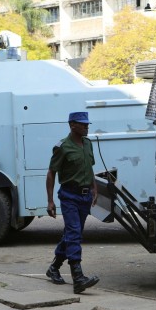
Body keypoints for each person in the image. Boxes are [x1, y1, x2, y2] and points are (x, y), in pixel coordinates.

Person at [45, 111, 99, 294]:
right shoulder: (62, 147)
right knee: (74, 233)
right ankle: (78, 278)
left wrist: (94, 188)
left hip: (85, 196)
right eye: (83, 124)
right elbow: (51, 173)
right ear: (72, 125)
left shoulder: (88, 144)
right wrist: (50, 201)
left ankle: (54, 268)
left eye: (87, 124)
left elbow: (89, 168)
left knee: (71, 233)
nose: (87, 127)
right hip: (69, 196)